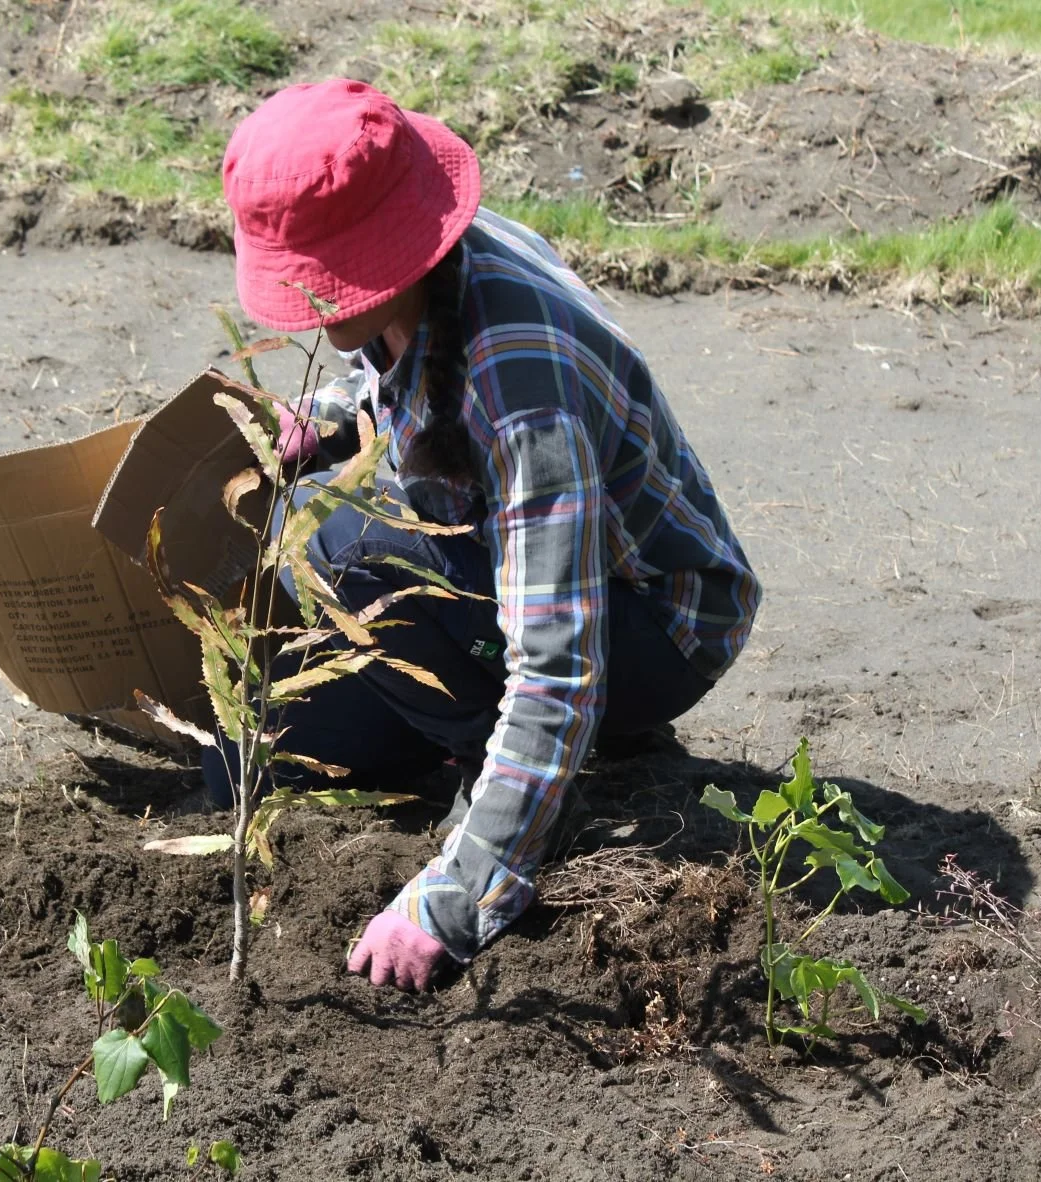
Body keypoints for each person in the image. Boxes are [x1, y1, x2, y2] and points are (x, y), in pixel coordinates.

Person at [212, 79, 761, 992]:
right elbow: (392, 372)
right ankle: (477, 737)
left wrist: (456, 897)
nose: (301, 309)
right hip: (544, 583)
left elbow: (558, 667)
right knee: (246, 754)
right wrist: (328, 419)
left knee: (351, 549)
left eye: (322, 283)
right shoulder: (433, 269)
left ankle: (524, 784)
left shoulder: (521, 390)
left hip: (652, 627)